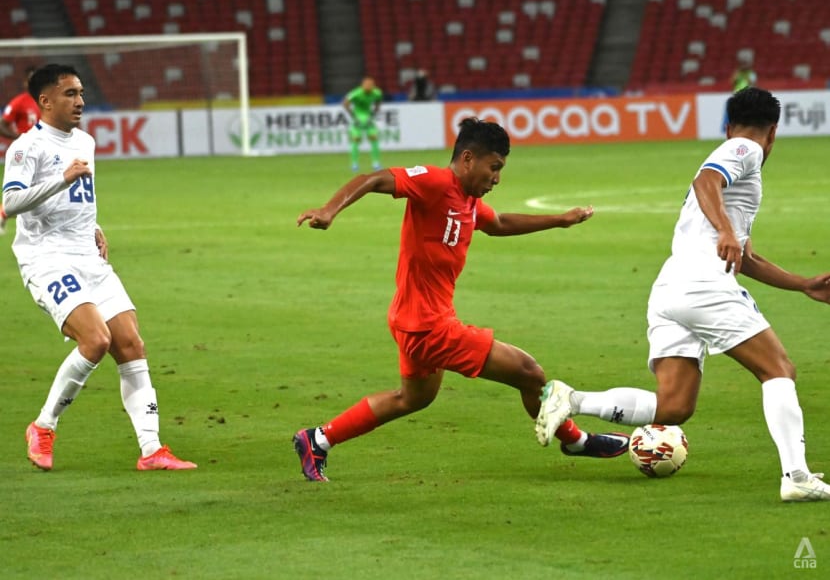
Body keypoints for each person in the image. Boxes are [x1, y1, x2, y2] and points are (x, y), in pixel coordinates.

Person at [293, 117, 630, 482]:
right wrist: (329, 210)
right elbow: (373, 178)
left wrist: (559, 221)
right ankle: (576, 440)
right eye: (494, 167)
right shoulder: (435, 183)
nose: (497, 178)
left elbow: (499, 223)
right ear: (468, 158)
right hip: (428, 325)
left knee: (413, 398)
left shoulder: (467, 200)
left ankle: (317, 440)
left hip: (416, 319)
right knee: (530, 373)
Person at [536, 87, 830, 502]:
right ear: (773, 133)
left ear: (727, 122)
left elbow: (746, 257)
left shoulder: (738, 166)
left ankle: (571, 398)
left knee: (674, 406)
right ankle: (796, 476)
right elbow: (705, 179)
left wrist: (801, 284)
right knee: (778, 369)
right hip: (703, 284)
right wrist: (726, 231)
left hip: (672, 286)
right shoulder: (744, 148)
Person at [2, 63, 197, 472]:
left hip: (88, 257)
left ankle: (151, 450)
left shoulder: (85, 141)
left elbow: (79, 196)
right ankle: (42, 426)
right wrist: (61, 178)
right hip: (47, 258)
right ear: (45, 101)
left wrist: (95, 226)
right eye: (70, 94)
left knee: (131, 344)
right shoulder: (26, 148)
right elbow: (12, 202)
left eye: (81, 93)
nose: (80, 102)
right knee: (95, 340)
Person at [0, 66, 39, 234]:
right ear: (25, 82)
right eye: (30, 80)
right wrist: (17, 138)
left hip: (41, 151)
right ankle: (2, 213)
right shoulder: (19, 101)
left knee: (38, 186)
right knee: (19, 187)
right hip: (22, 151)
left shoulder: (47, 100)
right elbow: (2, 123)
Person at [343, 76, 383, 172]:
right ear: (362, 85)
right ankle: (354, 164)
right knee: (356, 139)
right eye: (367, 84)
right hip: (358, 118)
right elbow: (345, 102)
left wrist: (375, 112)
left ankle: (376, 163)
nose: (368, 86)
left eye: (371, 85)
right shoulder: (356, 93)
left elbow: (378, 102)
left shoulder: (377, 93)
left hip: (368, 118)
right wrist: (353, 115)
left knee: (374, 137)